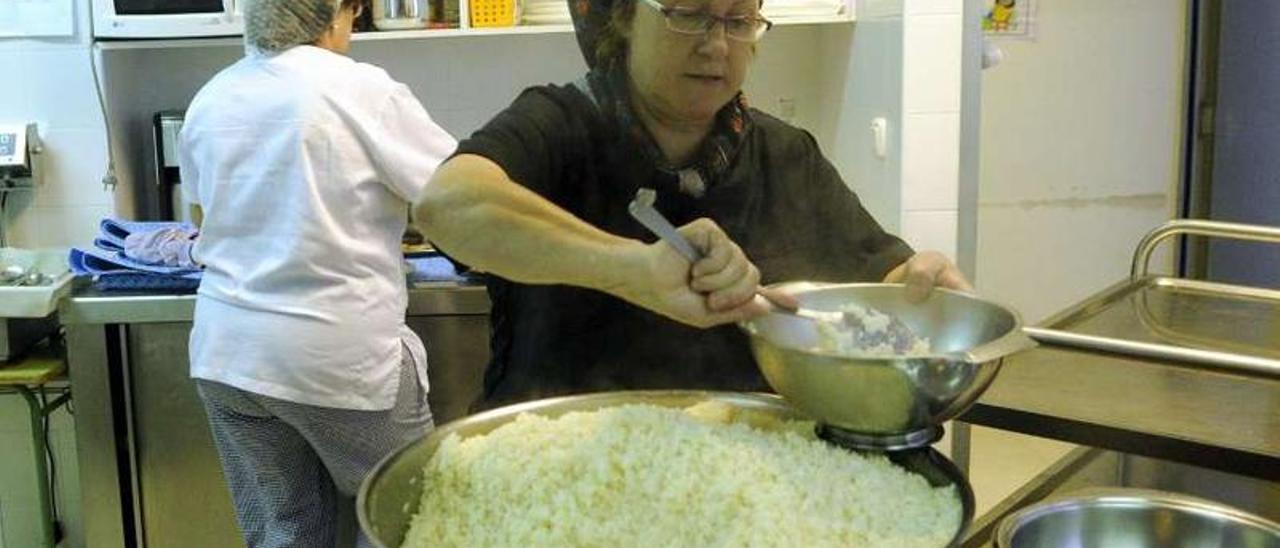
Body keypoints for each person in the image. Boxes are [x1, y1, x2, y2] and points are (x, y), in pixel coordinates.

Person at [415, 0, 971, 410]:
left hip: (734, 470)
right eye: (689, 13)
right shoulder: (560, 124)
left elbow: (877, 281)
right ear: (625, 17)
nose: (716, 45)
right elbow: (446, 205)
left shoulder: (785, 154)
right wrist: (633, 270)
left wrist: (919, 289)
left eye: (738, 21)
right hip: (555, 467)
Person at [178, 0, 457, 545]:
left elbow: (201, 219)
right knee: (411, 523)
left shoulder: (211, 97)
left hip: (229, 356)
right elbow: (456, 197)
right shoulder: (359, 88)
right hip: (335, 357)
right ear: (336, 13)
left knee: (285, 534)